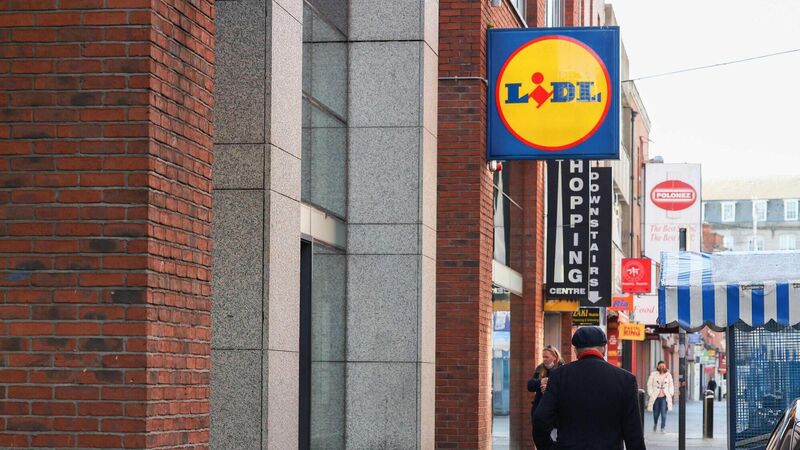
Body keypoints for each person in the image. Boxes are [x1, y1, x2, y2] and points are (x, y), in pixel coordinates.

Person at [532, 327, 645, 450]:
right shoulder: (625, 379)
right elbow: (634, 433)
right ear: (604, 348)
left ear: (575, 350)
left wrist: (549, 447)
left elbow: (540, 419)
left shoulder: (559, 376)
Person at [527, 345, 565, 441]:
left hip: (555, 413)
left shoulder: (562, 370)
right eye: (543, 357)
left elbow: (564, 389)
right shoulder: (540, 368)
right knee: (540, 439)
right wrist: (540, 382)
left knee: (554, 440)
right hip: (540, 410)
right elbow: (530, 385)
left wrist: (548, 388)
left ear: (555, 357)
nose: (544, 359)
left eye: (546, 357)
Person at [646, 361, 674, 433]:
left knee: (663, 413)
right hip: (656, 397)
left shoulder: (668, 375)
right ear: (658, 367)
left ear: (665, 366)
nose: (662, 367)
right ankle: (655, 423)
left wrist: (671, 393)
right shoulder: (653, 374)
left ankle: (663, 427)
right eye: (660, 366)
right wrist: (651, 393)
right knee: (656, 413)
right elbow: (649, 384)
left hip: (664, 397)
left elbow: (671, 385)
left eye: (663, 366)